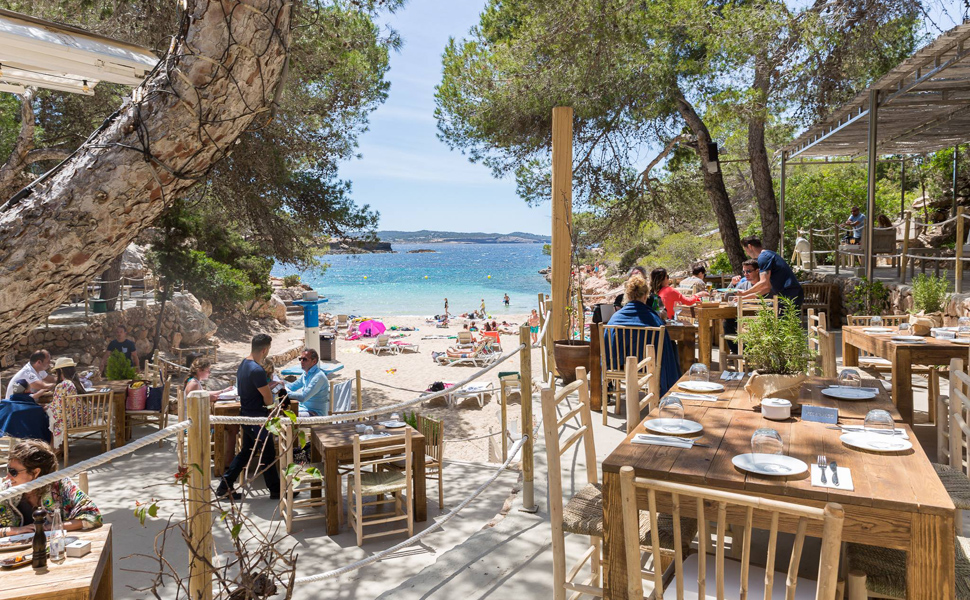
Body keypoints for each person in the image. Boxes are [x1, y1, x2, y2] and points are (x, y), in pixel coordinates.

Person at [217, 334, 280, 501]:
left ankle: (225, 485)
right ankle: (276, 490)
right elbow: (267, 398)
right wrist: (272, 404)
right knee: (267, 453)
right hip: (257, 417)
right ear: (265, 349)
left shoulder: (243, 364)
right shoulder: (257, 370)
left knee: (246, 452)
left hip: (245, 414)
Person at [0, 440, 102, 537]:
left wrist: (50, 527)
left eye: (13, 472)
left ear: (36, 472)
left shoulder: (60, 484)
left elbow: (93, 516)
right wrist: (15, 531)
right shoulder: (6, 490)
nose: (7, 477)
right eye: (8, 469)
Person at [605, 273, 681, 396]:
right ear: (646, 296)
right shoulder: (654, 320)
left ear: (627, 296)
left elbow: (608, 347)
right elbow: (664, 350)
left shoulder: (615, 319)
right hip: (649, 367)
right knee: (672, 347)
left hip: (620, 366)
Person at [183, 358, 237, 470]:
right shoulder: (193, 384)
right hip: (196, 421)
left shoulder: (194, 381)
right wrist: (211, 398)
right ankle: (227, 461)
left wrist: (223, 391)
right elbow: (195, 403)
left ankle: (222, 456)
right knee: (233, 427)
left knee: (229, 424)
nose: (209, 372)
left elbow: (205, 394)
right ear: (200, 370)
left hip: (197, 418)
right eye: (208, 370)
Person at [738, 236, 804, 308]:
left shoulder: (763, 257)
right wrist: (744, 297)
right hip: (791, 293)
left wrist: (745, 293)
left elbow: (763, 282)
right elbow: (766, 288)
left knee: (785, 318)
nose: (747, 254)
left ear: (750, 246)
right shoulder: (768, 254)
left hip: (789, 293)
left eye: (746, 250)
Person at [47, 357, 86, 449]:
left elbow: (58, 407)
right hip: (82, 418)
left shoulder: (63, 385)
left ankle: (54, 449)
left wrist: (48, 407)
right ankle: (58, 449)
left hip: (71, 421)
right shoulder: (77, 383)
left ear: (60, 370)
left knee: (47, 418)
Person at [287, 348, 330, 417]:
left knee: (289, 417)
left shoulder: (318, 376)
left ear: (314, 361)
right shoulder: (306, 374)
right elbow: (292, 386)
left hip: (316, 414)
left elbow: (303, 397)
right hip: (303, 410)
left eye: (304, 359)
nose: (301, 361)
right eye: (300, 359)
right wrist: (281, 385)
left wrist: (286, 393)